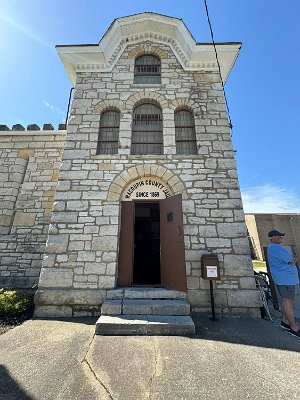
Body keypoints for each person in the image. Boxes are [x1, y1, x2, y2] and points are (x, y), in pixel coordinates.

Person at [267, 230, 299, 338]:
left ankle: (285, 322)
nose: (282, 237)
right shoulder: (275, 247)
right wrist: (296, 256)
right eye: (280, 236)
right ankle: (293, 327)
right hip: (285, 280)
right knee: (287, 302)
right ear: (274, 237)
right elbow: (291, 260)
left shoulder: (273, 248)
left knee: (287, 302)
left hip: (286, 279)